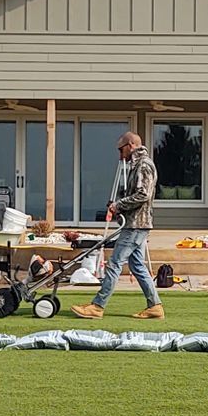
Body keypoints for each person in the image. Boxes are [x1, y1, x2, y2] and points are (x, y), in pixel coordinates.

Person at [73, 130, 165, 320]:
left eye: (121, 149)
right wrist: (119, 208)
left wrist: (118, 205)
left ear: (131, 145)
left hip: (136, 225)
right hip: (135, 222)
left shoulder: (144, 165)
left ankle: (97, 306)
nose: (120, 154)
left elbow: (143, 195)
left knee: (114, 263)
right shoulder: (137, 165)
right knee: (137, 265)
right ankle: (155, 306)